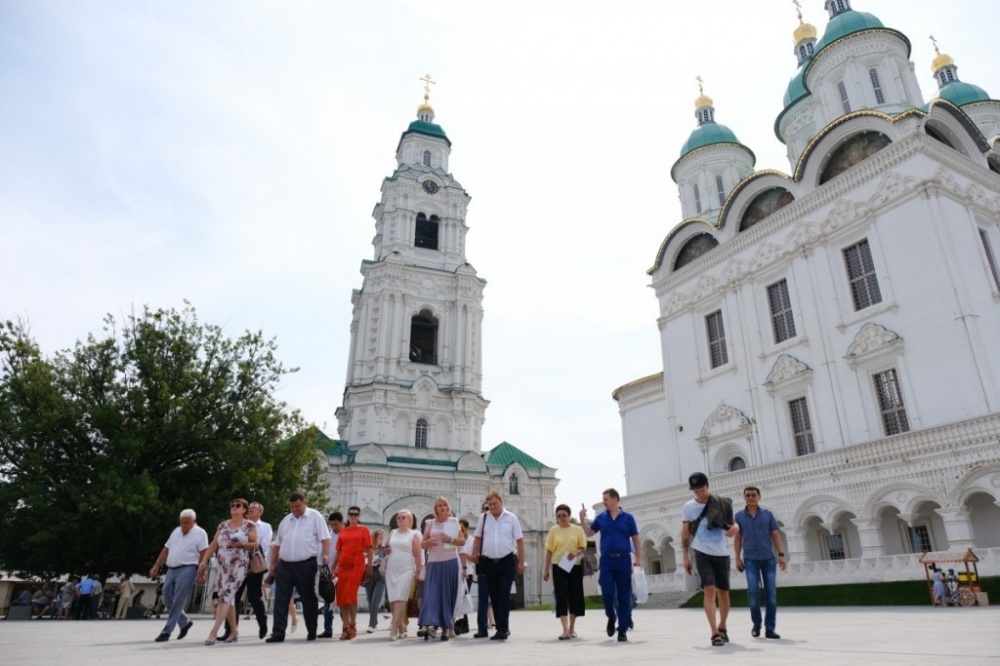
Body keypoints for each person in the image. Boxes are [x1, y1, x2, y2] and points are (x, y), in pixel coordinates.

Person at [264, 490, 330, 643]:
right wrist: (273, 565)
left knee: (308, 598)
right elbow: (278, 544)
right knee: (281, 599)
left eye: (297, 506)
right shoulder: (286, 520)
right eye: (292, 507)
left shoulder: (315, 516)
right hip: (285, 565)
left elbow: (325, 539)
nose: (295, 510)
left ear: (304, 503)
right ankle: (278, 632)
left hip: (306, 564)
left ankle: (311, 630)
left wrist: (325, 555)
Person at [682, 472, 739, 647]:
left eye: (701, 489)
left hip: (721, 552)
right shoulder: (688, 507)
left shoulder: (721, 502)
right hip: (702, 552)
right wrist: (685, 556)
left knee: (723, 592)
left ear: (708, 485)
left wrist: (735, 528)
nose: (699, 493)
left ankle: (723, 626)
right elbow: (685, 532)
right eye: (695, 490)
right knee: (709, 589)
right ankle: (714, 632)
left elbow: (732, 523)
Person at [580, 488, 640, 642]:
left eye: (606, 499)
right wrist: (582, 520)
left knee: (623, 595)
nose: (604, 502)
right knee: (607, 593)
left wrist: (638, 557)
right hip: (606, 560)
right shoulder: (601, 518)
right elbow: (589, 533)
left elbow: (635, 538)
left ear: (615, 500)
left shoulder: (628, 518)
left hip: (623, 559)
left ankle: (623, 629)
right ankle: (611, 617)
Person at [197, 498, 258, 645]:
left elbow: (255, 544)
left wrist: (242, 544)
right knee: (228, 599)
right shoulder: (223, 525)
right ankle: (234, 631)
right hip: (223, 565)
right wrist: (204, 560)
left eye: (238, 506)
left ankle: (213, 632)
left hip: (239, 564)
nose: (234, 508)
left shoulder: (249, 525)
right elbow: (213, 544)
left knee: (226, 597)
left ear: (244, 509)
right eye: (232, 505)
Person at [149, 508, 210, 642]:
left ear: (194, 522)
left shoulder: (200, 533)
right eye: (182, 522)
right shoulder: (176, 531)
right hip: (171, 568)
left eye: (187, 522)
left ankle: (167, 631)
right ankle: (185, 622)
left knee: (178, 599)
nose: (184, 525)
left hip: (188, 568)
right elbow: (166, 549)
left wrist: (201, 574)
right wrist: (156, 565)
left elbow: (203, 554)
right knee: (166, 596)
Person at [733, 485, 785, 639]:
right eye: (747, 495)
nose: (750, 497)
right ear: (744, 498)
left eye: (753, 495)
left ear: (759, 497)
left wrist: (781, 554)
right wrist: (737, 558)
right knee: (753, 593)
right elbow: (738, 538)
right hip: (750, 560)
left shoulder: (767, 515)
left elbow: (775, 534)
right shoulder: (739, 516)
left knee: (771, 595)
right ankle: (756, 624)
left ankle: (770, 628)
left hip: (768, 559)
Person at [471, 491, 524, 641]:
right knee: (494, 595)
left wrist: (521, 561)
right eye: (490, 504)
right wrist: (475, 553)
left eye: (495, 503)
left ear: (501, 502)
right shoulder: (484, 518)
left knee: (503, 594)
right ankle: (500, 628)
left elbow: (520, 541)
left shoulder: (511, 518)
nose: (492, 507)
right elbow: (477, 537)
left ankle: (503, 629)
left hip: (507, 560)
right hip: (489, 562)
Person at [221, 500, 272, 640]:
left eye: (254, 508)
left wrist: (244, 545)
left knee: (254, 596)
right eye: (249, 508)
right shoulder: (239, 524)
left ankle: (263, 624)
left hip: (253, 563)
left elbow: (263, 546)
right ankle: (230, 630)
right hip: (237, 564)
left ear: (260, 512)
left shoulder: (265, 527)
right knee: (233, 597)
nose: (251, 510)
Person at [418, 496, 465, 641]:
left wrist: (450, 539)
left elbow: (462, 541)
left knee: (447, 595)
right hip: (433, 561)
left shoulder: (453, 521)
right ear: (436, 509)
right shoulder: (430, 523)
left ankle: (446, 628)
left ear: (448, 508)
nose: (442, 507)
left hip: (450, 561)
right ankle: (430, 624)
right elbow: (422, 544)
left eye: (445, 505)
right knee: (432, 594)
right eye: (439, 505)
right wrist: (428, 542)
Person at [543, 504, 587, 640]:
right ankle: (565, 630)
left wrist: (576, 552)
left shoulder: (577, 530)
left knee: (575, 595)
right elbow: (549, 550)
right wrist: (546, 568)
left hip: (575, 565)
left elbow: (583, 546)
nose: (561, 518)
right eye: (559, 516)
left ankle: (572, 627)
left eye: (564, 515)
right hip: (558, 566)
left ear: (569, 516)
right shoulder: (553, 530)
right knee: (561, 596)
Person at [330, 505, 373, 640]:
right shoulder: (343, 531)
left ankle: (352, 624)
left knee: (351, 594)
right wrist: (332, 568)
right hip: (344, 565)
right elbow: (338, 551)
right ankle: (345, 626)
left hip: (357, 564)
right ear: (347, 516)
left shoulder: (364, 530)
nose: (353, 516)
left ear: (359, 516)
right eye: (351, 514)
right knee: (342, 597)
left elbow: (369, 549)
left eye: (356, 514)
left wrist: (370, 565)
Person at [383, 509, 422, 640]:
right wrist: (386, 550)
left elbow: (417, 555)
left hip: (406, 569)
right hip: (392, 569)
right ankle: (402, 628)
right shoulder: (393, 533)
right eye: (398, 517)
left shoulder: (413, 535)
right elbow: (386, 547)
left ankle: (393, 630)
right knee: (393, 600)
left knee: (400, 598)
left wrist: (418, 571)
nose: (400, 519)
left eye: (403, 517)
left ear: (410, 521)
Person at [318, 511, 343, 638]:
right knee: (328, 601)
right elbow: (322, 552)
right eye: (332, 524)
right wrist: (321, 569)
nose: (334, 527)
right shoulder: (328, 536)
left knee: (343, 602)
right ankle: (328, 629)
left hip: (343, 572)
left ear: (341, 523)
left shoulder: (345, 535)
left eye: (336, 524)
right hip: (329, 573)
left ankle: (347, 628)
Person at [364, 529, 387, 633]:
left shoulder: (384, 550)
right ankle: (375, 622)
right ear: (375, 538)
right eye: (380, 538)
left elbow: (388, 559)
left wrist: (382, 560)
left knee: (375, 601)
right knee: (370, 600)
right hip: (369, 574)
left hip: (381, 575)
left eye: (383, 538)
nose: (382, 540)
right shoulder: (367, 549)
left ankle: (371, 625)